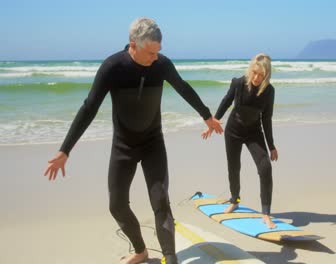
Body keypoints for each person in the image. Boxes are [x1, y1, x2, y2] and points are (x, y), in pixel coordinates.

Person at [43, 17, 223, 264]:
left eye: (158, 52)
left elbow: (183, 87)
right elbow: (89, 108)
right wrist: (65, 150)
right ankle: (141, 251)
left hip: (153, 143)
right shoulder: (113, 67)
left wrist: (207, 116)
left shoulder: (161, 64)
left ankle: (171, 258)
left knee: (160, 200)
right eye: (150, 52)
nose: (155, 58)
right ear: (133, 45)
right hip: (123, 146)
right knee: (116, 205)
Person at [202, 53, 278, 229]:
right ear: (251, 70)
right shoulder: (239, 83)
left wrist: (271, 146)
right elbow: (226, 102)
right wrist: (212, 124)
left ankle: (266, 213)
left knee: (265, 167)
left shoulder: (269, 91)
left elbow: (267, 119)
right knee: (234, 166)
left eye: (262, 75)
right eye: (255, 73)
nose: (257, 78)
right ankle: (235, 200)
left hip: (254, 133)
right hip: (234, 131)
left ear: (267, 75)